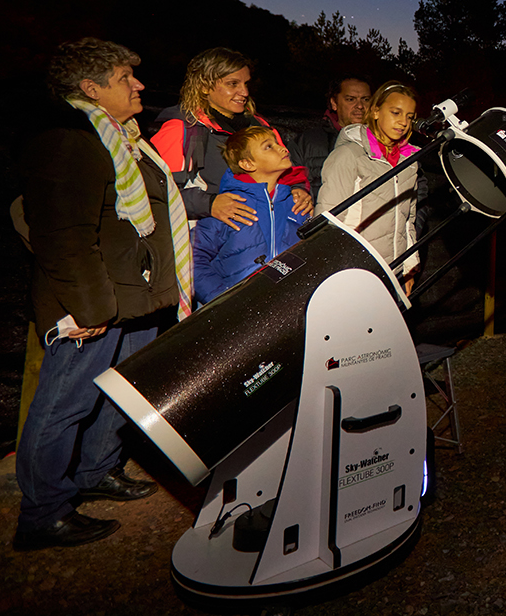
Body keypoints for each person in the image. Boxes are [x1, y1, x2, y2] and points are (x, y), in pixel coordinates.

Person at [16, 38, 193, 550]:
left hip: (134, 299)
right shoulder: (69, 139)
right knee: (64, 405)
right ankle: (42, 512)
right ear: (90, 88)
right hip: (96, 304)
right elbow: (62, 235)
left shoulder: (124, 136)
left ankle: (96, 471)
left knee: (120, 395)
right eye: (124, 78)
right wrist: (88, 309)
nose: (138, 84)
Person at [151, 47, 312, 228]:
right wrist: (209, 204)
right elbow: (158, 193)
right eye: (233, 84)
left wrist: (299, 191)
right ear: (204, 86)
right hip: (206, 244)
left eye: (246, 84)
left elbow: (289, 173)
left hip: (262, 238)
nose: (244, 92)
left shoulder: (259, 126)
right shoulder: (184, 129)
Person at [314, 81, 423, 292]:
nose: (403, 122)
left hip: (393, 273)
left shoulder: (409, 162)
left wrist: (409, 266)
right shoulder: (349, 155)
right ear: (375, 111)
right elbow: (328, 223)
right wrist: (332, 275)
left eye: (409, 117)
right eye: (396, 112)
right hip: (353, 273)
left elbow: (408, 219)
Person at [190, 126, 307, 309]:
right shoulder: (230, 205)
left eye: (277, 143)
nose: (283, 148)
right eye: (269, 146)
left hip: (287, 309)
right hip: (236, 314)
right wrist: (224, 300)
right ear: (248, 164)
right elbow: (192, 258)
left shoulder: (296, 204)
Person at [288, 76, 372, 201]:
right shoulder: (307, 141)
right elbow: (289, 180)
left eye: (365, 99)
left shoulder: (383, 143)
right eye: (350, 99)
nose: (360, 106)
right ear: (334, 103)